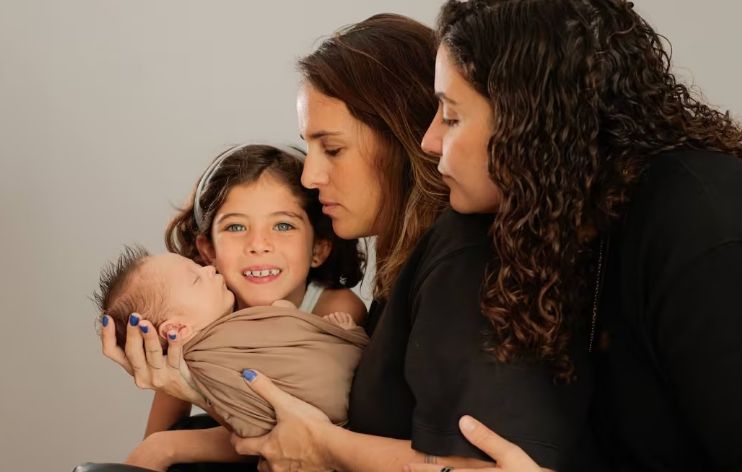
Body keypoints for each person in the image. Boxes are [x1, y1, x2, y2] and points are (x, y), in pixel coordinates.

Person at [100, 12, 592, 472]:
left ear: (399, 137)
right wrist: (191, 389)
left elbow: (475, 465)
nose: (311, 176)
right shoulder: (404, 274)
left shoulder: (459, 263)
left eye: (332, 149)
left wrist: (319, 446)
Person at [401, 0, 742, 471]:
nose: (429, 140)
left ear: (530, 123)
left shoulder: (710, 237)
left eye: (451, 116)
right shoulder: (567, 224)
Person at [100, 143, 366, 470]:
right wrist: (160, 440)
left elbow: (297, 437)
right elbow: (155, 439)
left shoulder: (335, 308)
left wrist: (168, 446)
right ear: (208, 250)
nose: (258, 245)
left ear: (318, 248)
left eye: (283, 225)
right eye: (236, 227)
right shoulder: (195, 321)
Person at [94, 246, 367, 438]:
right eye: (195, 278)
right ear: (176, 328)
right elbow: (255, 418)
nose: (210, 270)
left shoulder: (213, 345)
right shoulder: (208, 355)